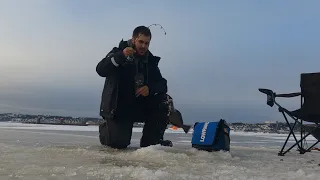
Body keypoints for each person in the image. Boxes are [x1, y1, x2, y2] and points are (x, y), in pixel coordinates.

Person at [96, 25, 173, 149]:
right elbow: (100, 70)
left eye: (147, 43)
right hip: (120, 108)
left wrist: (150, 89)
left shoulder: (150, 61)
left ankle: (152, 142)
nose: (144, 46)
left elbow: (163, 84)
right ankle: (108, 129)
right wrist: (121, 56)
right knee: (118, 143)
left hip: (140, 105)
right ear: (133, 40)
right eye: (141, 42)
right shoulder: (117, 52)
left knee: (164, 101)